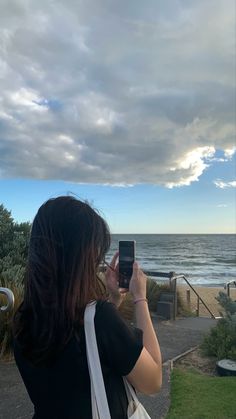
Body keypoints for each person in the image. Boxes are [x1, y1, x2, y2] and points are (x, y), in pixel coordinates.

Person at [13, 196, 162, 419]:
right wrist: (140, 297)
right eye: (94, 252)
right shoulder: (100, 319)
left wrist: (114, 299)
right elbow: (153, 380)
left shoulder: (24, 317)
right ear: (81, 257)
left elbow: (86, 347)